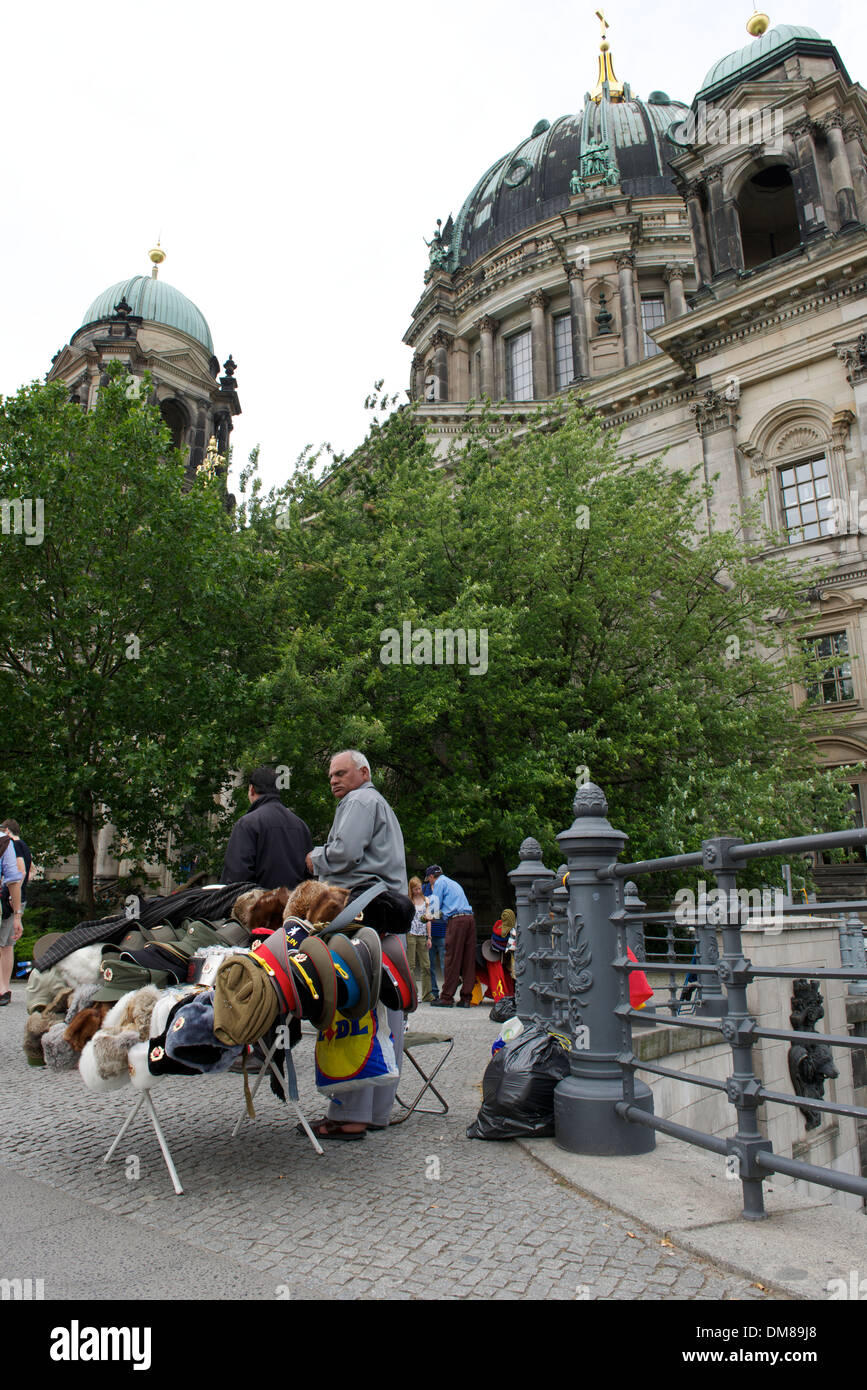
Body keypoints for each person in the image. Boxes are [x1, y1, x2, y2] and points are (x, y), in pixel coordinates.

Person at [306, 749, 408, 1138]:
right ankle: (376, 1111)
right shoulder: (375, 801)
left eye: (341, 772)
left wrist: (315, 858)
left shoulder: (360, 799)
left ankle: (349, 1115)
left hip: (361, 917)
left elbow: (345, 855)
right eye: (331, 774)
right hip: (385, 920)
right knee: (386, 1013)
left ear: (363, 772)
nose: (334, 779)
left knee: (354, 1007)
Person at [221, 766, 312, 890]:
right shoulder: (301, 826)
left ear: (251, 789)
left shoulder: (247, 824)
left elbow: (236, 878)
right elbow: (308, 876)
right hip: (293, 906)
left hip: (259, 906)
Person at [426, 865, 476, 1008]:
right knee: (468, 960)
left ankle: (446, 998)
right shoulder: (453, 883)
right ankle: (466, 998)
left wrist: (424, 917)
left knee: (451, 959)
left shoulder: (438, 884)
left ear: (431, 877)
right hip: (469, 919)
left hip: (457, 922)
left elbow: (434, 912)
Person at [0, 822, 26, 1007]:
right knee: (5, 945)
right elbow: (14, 879)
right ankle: (3, 987)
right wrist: (18, 914)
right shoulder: (4, 842)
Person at [407, 876, 433, 1002]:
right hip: (411, 934)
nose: (418, 891)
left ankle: (427, 993)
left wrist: (429, 937)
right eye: (416, 889)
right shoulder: (409, 901)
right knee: (411, 965)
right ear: (411, 890)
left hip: (422, 934)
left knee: (426, 965)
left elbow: (428, 920)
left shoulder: (426, 900)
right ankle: (413, 993)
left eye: (419, 888)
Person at [423, 877, 443, 1001]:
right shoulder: (425, 890)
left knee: (444, 964)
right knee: (429, 965)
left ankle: (447, 993)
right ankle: (434, 992)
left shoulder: (443, 890)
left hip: (442, 931)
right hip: (429, 932)